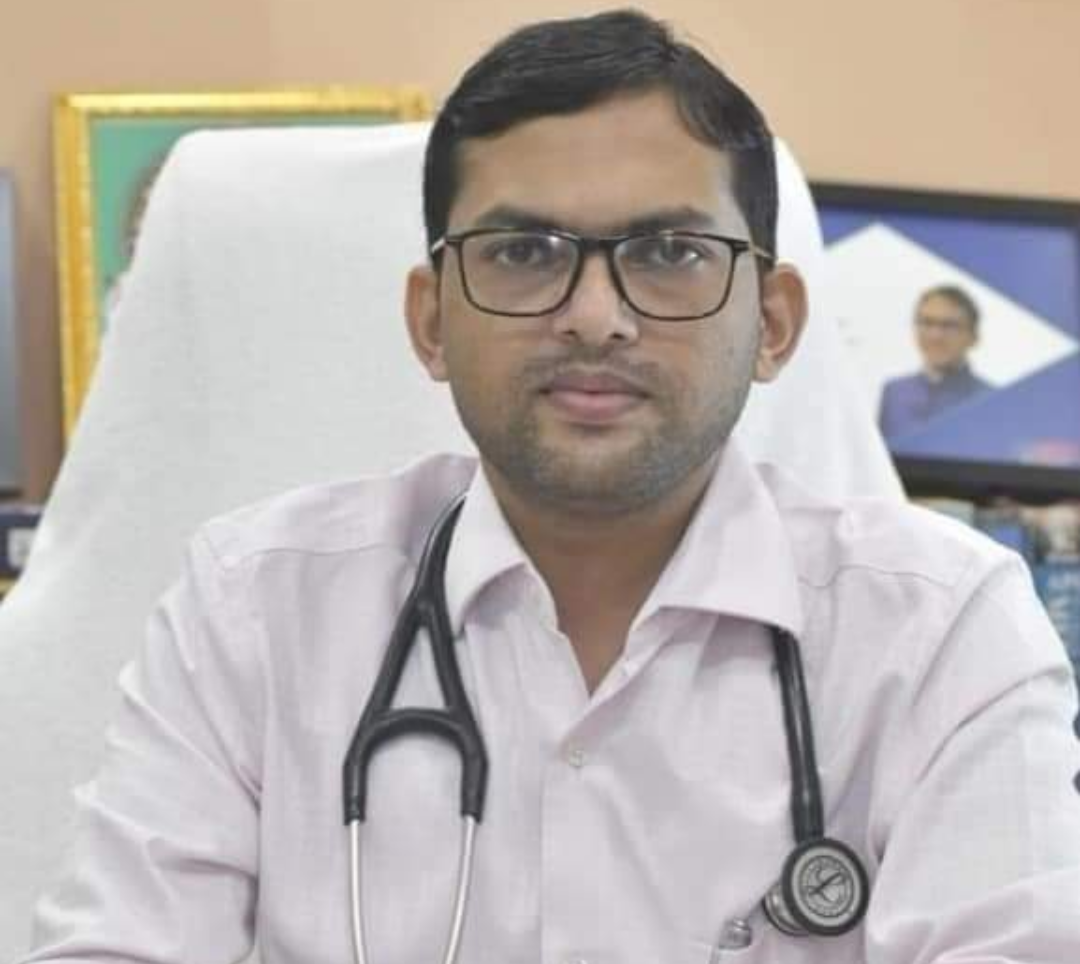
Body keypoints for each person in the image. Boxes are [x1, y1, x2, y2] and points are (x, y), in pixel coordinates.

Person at [20, 10, 1080, 964]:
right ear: (432, 322)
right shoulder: (254, 611)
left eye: (669, 251)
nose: (594, 316)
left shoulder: (940, 632)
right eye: (525, 251)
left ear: (773, 322)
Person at [878, 283, 992, 439]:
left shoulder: (988, 399)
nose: (936, 336)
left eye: (949, 325)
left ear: (973, 336)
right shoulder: (894, 393)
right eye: (927, 322)